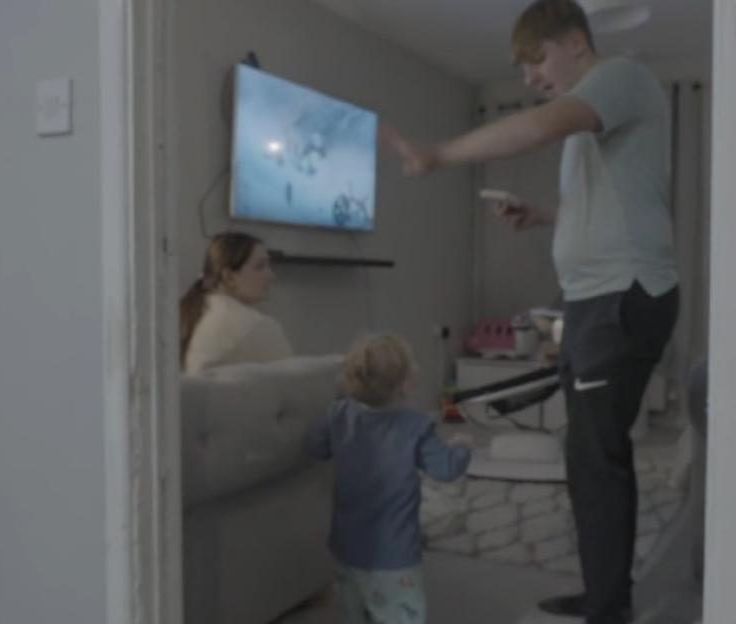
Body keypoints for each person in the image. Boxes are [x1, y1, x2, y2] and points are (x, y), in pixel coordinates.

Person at [382, 1, 679, 622]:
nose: (531, 79)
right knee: (588, 454)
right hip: (599, 296)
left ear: (575, 41)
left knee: (596, 457)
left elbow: (539, 126)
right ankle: (606, 594)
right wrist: (542, 217)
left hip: (620, 294)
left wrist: (440, 153)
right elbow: (614, 205)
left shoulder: (618, 76)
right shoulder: (596, 120)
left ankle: (609, 608)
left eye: (537, 60)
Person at [305, 333, 470, 624]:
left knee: (355, 613)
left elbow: (315, 448)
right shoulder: (416, 427)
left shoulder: (337, 415)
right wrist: (462, 447)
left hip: (347, 550)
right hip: (395, 557)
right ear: (405, 383)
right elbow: (446, 469)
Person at [180, 231, 292, 374]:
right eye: (260, 266)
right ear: (229, 277)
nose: (271, 276)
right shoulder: (259, 326)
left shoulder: (194, 311)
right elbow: (293, 389)